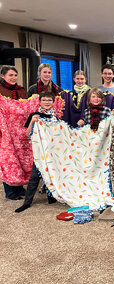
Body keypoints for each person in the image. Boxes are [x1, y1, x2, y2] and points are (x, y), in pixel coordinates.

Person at [15, 91, 59, 213]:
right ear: (40, 101)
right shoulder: (35, 115)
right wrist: (32, 122)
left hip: (52, 151)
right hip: (40, 152)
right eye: (44, 100)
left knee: (51, 174)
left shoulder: (55, 116)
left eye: (49, 100)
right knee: (34, 177)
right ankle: (27, 202)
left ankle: (51, 197)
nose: (47, 102)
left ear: (53, 102)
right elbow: (27, 133)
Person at [0, 66, 28, 200]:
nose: (13, 78)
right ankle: (10, 191)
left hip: (20, 130)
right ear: (3, 76)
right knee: (8, 160)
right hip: (5, 130)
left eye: (15, 75)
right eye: (10, 75)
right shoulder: (0, 90)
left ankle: (20, 187)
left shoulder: (21, 90)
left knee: (20, 158)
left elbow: (26, 107)